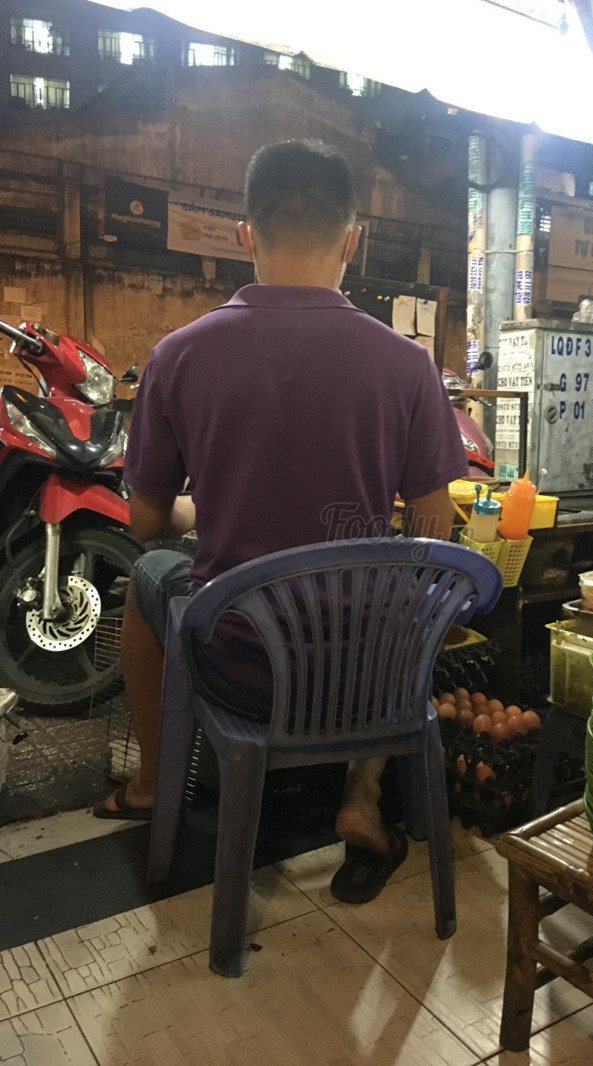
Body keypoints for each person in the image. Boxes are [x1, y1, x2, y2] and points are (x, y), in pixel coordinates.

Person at [94, 139, 468, 904]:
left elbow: (145, 520)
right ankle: (362, 798)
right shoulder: (407, 365)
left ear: (245, 235)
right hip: (365, 673)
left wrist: (207, 509)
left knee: (147, 578)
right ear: (353, 241)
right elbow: (436, 533)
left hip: (242, 666)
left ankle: (154, 783)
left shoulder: (178, 355)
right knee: (402, 601)